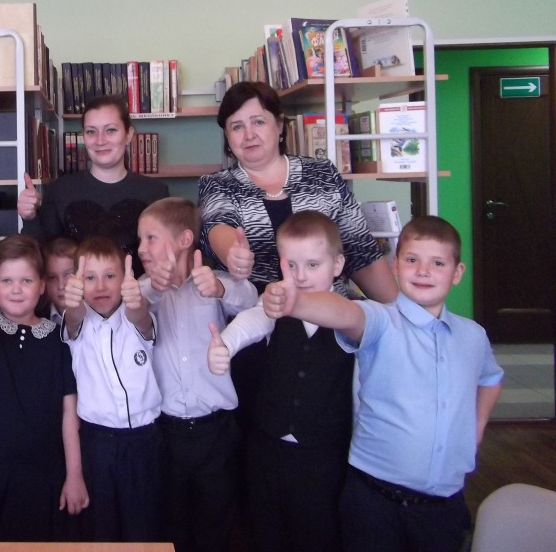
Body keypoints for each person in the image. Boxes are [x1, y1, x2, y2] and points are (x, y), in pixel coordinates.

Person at [263, 215, 504, 552]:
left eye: (437, 263)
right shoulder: (380, 319)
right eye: (412, 260)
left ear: (457, 272)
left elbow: (490, 377)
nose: (423, 271)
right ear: (395, 266)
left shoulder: (473, 335)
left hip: (443, 505)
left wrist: (477, 425)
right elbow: (345, 312)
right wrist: (297, 302)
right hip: (373, 501)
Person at [197, 80, 396, 429]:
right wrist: (233, 254)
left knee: (327, 432)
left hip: (327, 328)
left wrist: (402, 315)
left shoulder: (322, 175)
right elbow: (218, 225)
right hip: (258, 332)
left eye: (258, 121)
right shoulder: (217, 184)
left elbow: (359, 249)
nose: (249, 134)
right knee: (260, 435)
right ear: (227, 136)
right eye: (236, 126)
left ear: (279, 125)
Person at [210, 211, 354, 552]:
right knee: (266, 531)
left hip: (323, 454)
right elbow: (253, 319)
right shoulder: (275, 303)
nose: (300, 276)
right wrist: (225, 345)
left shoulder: (353, 315)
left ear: (337, 265)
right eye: (291, 265)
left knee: (317, 534)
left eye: (313, 265)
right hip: (267, 447)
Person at [137, 197, 258, 552]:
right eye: (140, 239)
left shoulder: (213, 282)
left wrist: (221, 288)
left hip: (216, 431)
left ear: (184, 240)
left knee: (216, 520)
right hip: (165, 430)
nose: (141, 248)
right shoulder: (143, 289)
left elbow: (251, 299)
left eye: (150, 238)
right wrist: (151, 289)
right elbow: (132, 310)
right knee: (170, 520)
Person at [0, 234, 89, 541]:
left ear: (41, 286)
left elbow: (70, 413)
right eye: (7, 281)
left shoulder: (59, 340)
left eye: (26, 280)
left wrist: (75, 474)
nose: (16, 289)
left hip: (45, 472)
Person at [61, 236, 162, 542]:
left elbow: (141, 319)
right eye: (90, 278)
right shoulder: (77, 322)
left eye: (110, 276)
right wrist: (73, 302)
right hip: (97, 442)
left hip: (144, 441)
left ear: (125, 280)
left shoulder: (137, 316)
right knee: (101, 528)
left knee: (144, 526)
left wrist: (137, 302)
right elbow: (73, 318)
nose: (101, 286)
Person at [19, 94, 169, 275]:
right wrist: (30, 218)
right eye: (91, 132)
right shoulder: (58, 191)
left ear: (129, 134)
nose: (100, 140)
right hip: (74, 293)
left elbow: (165, 260)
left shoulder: (156, 193)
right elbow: (41, 259)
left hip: (140, 292)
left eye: (110, 130)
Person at [42, 236, 77, 327]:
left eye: (68, 275)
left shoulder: (97, 314)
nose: (61, 286)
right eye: (52, 277)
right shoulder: (39, 316)